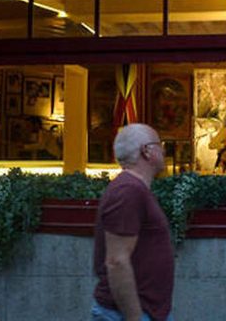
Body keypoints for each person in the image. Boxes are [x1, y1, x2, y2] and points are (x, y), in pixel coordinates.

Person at [92, 123, 175, 321]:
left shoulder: (134, 189)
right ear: (146, 151)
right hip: (128, 314)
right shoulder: (128, 191)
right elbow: (116, 261)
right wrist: (134, 317)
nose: (163, 149)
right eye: (159, 144)